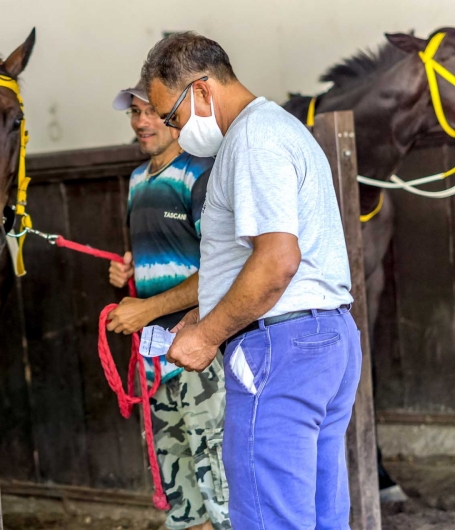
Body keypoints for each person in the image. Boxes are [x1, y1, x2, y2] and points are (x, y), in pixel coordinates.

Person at [142, 32, 361, 529]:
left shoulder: (252, 138)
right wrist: (206, 310)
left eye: (171, 116)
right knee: (320, 515)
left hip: (279, 349)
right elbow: (263, 259)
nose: (173, 129)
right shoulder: (279, 129)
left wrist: (208, 334)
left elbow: (278, 260)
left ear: (200, 91)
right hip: (324, 339)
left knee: (271, 519)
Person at [106, 79, 230, 530]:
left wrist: (146, 309)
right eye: (134, 114)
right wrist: (129, 270)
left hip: (204, 352)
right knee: (179, 487)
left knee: (218, 481)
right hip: (158, 359)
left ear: (174, 113)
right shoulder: (138, 181)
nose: (141, 122)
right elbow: (167, 252)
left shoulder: (200, 173)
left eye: (150, 111)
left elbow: (220, 269)